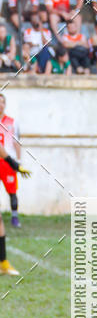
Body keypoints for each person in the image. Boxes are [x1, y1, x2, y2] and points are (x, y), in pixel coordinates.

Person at [0, 94, 28, 228]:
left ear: (5, 104)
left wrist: (18, 160)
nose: (0, 105)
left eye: (2, 102)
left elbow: (17, 142)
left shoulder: (12, 122)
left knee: (12, 190)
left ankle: (15, 217)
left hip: (8, 161)